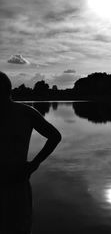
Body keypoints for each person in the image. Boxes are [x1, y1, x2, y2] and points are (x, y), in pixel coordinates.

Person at [0, 71, 62, 234]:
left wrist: (34, 165)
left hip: (17, 181)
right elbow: (55, 136)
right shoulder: (26, 112)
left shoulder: (25, 113)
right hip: (17, 179)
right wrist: (33, 165)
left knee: (18, 226)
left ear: (5, 91)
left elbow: (55, 136)